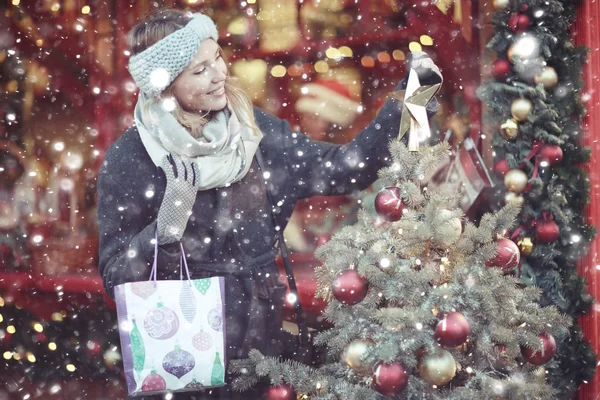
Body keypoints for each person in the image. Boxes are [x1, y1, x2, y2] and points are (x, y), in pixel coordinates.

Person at [97, 8, 440, 399]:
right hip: (183, 362)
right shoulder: (132, 159)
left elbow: (345, 169)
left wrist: (413, 101)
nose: (218, 74)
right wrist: (165, 232)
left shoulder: (252, 133)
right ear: (164, 85)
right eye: (198, 70)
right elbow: (115, 278)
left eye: (217, 59)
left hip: (262, 357)